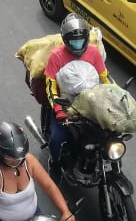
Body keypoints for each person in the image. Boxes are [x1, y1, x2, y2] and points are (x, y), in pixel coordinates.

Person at [45, 14, 109, 175]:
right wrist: (58, 108)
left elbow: (105, 78)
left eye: (81, 40)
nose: (78, 44)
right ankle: (55, 162)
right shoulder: (56, 56)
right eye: (74, 41)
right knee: (57, 139)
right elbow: (51, 86)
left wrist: (115, 98)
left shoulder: (94, 53)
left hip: (91, 105)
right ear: (65, 40)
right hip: (65, 106)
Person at [0, 122, 74, 221]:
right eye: (11, 157)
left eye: (19, 156)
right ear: (1, 154)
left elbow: (50, 187)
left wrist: (66, 212)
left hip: (33, 216)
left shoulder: (29, 161)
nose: (17, 161)